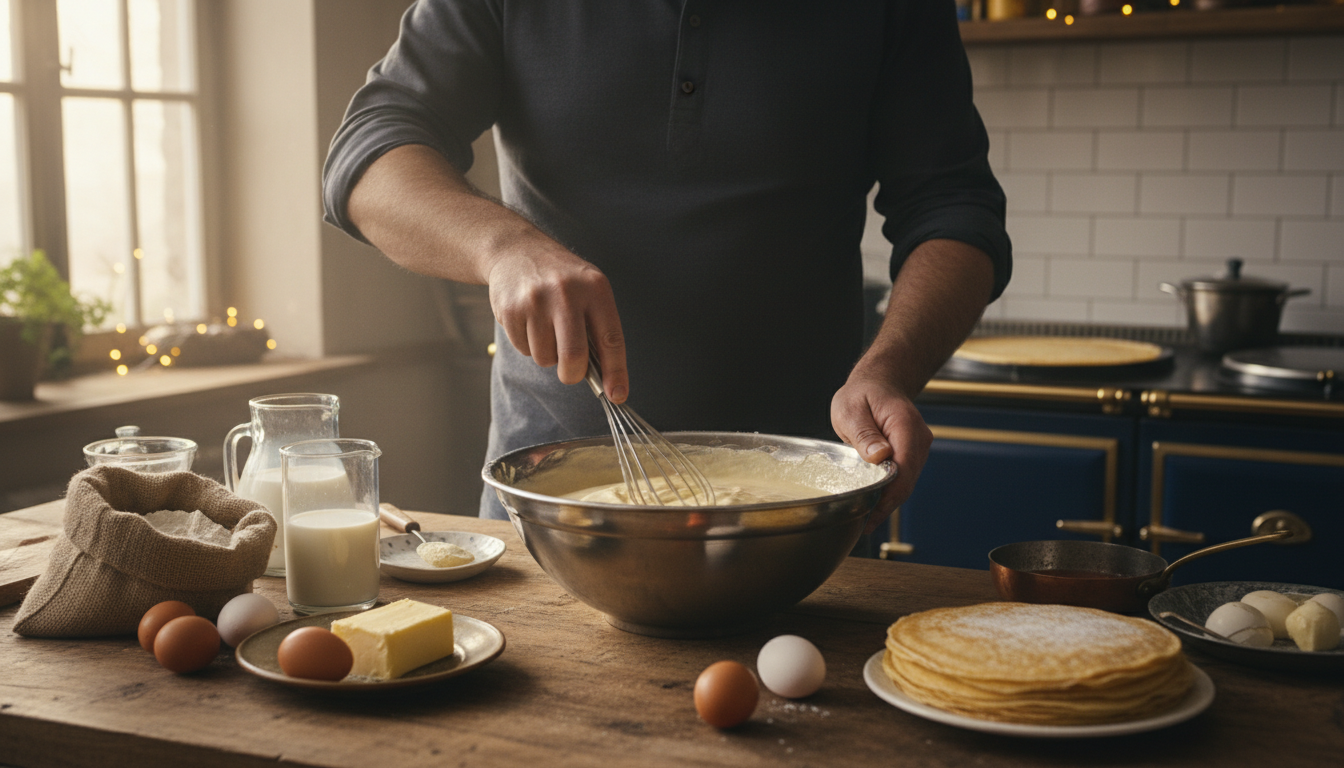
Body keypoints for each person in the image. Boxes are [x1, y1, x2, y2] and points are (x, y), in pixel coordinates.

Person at [322, 0, 1012, 531]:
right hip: (552, 506)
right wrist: (502, 247)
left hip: (801, 510)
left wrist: (889, 370)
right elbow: (367, 156)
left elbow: (956, 209)